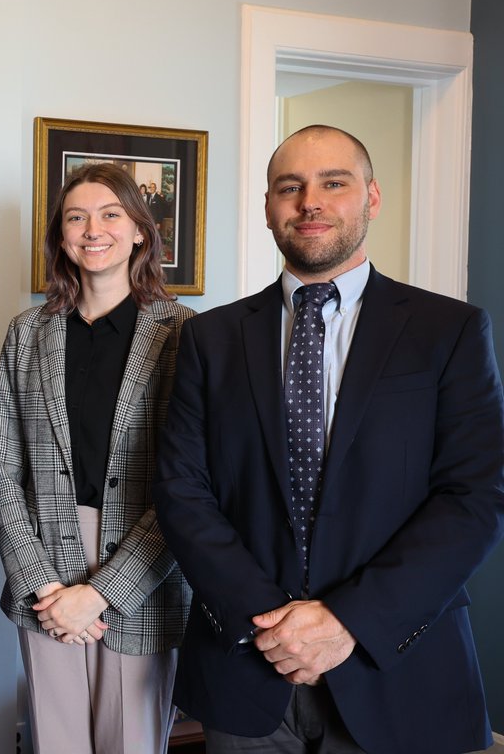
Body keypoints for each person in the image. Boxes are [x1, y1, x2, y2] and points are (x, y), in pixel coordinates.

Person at [153, 125, 504, 754]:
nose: (309, 201)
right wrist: (275, 626)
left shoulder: (448, 331)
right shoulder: (210, 339)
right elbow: (184, 493)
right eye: (290, 187)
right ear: (267, 208)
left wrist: (347, 622)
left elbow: (473, 499)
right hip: (248, 668)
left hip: (399, 665)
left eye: (332, 183)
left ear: (370, 197)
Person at [0, 163, 192, 753]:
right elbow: (6, 470)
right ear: (60, 237)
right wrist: (42, 586)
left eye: (110, 214)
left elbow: (190, 485)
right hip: (45, 575)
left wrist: (104, 593)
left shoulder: (185, 334)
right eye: (76, 217)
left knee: (129, 743)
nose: (92, 229)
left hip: (144, 566)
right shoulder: (27, 332)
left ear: (140, 232)